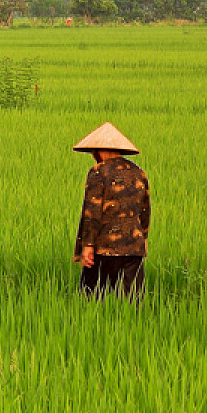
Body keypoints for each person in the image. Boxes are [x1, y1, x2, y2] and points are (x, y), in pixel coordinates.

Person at [71, 122, 151, 300]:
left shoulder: (98, 172)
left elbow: (92, 212)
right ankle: (133, 327)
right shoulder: (139, 173)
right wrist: (141, 239)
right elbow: (145, 212)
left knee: (91, 300)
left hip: (105, 248)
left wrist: (88, 246)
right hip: (134, 248)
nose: (93, 156)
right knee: (133, 303)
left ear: (100, 150)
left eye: (94, 152)